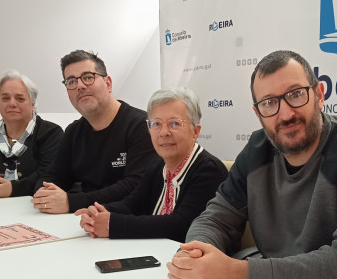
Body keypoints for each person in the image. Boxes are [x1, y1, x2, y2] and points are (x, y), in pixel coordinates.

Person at [167, 50, 337, 279]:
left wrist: (238, 274)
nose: (286, 114)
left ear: (319, 95)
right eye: (269, 103)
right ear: (258, 114)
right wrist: (195, 255)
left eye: (295, 95)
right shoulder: (256, 150)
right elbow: (215, 219)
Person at [75, 87, 228, 242]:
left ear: (195, 131)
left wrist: (111, 224)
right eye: (156, 124)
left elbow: (182, 225)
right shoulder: (157, 166)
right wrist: (98, 213)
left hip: (192, 260)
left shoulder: (209, 170)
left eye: (174, 124)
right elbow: (132, 205)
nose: (164, 132)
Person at [31, 50, 157, 213]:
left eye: (88, 77)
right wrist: (44, 193)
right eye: (71, 81)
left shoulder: (142, 126)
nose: (80, 86)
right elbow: (54, 176)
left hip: (129, 225)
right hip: (85, 222)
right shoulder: (74, 131)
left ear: (108, 83)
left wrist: (71, 202)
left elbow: (135, 186)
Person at [0, 70, 62, 197]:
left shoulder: (51, 133)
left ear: (33, 104)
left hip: (32, 208)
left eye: (20, 98)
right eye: (5, 98)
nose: (12, 103)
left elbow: (48, 177)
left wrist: (12, 189)